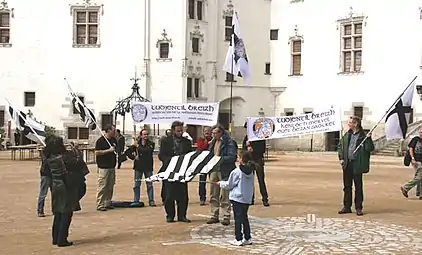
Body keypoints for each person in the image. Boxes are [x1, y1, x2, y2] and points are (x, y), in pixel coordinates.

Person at [42, 136, 78, 247]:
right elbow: (77, 162)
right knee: (66, 212)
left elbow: (45, 172)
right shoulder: (64, 158)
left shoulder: (47, 158)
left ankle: (55, 237)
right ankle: (62, 239)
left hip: (55, 185)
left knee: (58, 212)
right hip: (65, 185)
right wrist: (75, 150)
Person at [337, 116, 374, 216]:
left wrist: (369, 139)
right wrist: (341, 158)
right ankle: (347, 206)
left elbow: (369, 148)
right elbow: (341, 146)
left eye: (350, 122)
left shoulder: (363, 136)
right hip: (347, 164)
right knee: (347, 187)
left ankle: (358, 207)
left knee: (358, 187)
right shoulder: (346, 135)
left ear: (355, 124)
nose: (348, 124)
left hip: (357, 164)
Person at [218, 151, 255, 246]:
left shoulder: (236, 172)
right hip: (246, 198)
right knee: (244, 218)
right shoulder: (251, 170)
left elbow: (229, 185)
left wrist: (221, 183)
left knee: (238, 219)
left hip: (237, 198)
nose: (237, 158)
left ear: (241, 159)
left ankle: (238, 238)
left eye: (239, 157)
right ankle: (247, 237)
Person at [158, 121, 192, 223]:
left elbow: (189, 156)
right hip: (169, 171)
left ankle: (182, 215)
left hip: (181, 172)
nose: (180, 133)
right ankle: (170, 215)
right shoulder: (166, 141)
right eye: (178, 131)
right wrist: (171, 161)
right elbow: (161, 155)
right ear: (173, 130)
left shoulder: (187, 142)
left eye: (181, 130)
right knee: (168, 195)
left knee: (183, 195)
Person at [207, 124, 237, 226]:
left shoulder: (229, 142)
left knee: (225, 195)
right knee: (213, 194)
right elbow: (210, 154)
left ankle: (226, 216)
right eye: (212, 133)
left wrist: (220, 159)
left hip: (225, 170)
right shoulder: (213, 142)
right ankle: (214, 215)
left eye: (215, 133)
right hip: (214, 170)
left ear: (221, 133)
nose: (213, 135)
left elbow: (232, 157)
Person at [242, 122, 270, 206]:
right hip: (249, 160)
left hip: (258, 160)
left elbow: (262, 150)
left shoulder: (260, 137)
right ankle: (251, 198)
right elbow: (243, 149)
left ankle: (265, 198)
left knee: (261, 180)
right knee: (249, 180)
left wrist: (253, 148)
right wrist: (246, 147)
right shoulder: (247, 138)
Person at [95, 124, 118, 212]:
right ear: (108, 131)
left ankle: (107, 203)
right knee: (102, 186)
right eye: (113, 131)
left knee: (110, 186)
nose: (115, 132)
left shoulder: (113, 140)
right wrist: (108, 150)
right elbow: (97, 152)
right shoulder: (100, 141)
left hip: (112, 166)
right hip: (103, 167)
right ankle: (100, 204)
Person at [131, 129, 156, 207]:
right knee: (137, 184)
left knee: (149, 184)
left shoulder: (151, 144)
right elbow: (128, 152)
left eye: (147, 134)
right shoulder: (136, 144)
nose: (146, 136)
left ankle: (151, 200)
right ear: (141, 135)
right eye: (144, 134)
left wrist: (138, 147)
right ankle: (136, 200)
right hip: (138, 167)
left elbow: (147, 151)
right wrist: (134, 156)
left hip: (148, 166)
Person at [401, 127, 422, 200]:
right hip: (416, 160)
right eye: (420, 132)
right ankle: (406, 187)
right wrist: (412, 158)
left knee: (420, 176)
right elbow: (411, 148)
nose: (421, 134)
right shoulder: (415, 139)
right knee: (419, 176)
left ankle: (420, 193)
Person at [196, 126, 212, 205]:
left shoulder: (214, 140)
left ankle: (213, 197)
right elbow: (201, 148)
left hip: (211, 163)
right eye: (205, 131)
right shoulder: (200, 140)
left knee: (213, 181)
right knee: (202, 181)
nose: (207, 132)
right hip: (202, 164)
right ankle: (202, 198)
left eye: (208, 131)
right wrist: (207, 142)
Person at [37, 151, 52, 217]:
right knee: (43, 193)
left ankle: (56, 209)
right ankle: (40, 210)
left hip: (54, 173)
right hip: (46, 174)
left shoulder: (57, 150)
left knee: (56, 193)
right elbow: (46, 161)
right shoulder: (45, 151)